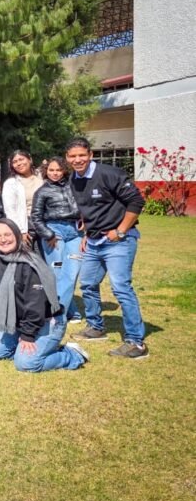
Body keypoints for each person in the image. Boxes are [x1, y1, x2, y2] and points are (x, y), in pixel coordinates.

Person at [65, 137, 148, 359]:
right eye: (72, 156)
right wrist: (86, 232)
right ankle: (96, 327)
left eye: (82, 155)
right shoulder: (74, 179)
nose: (77, 159)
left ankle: (136, 343)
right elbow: (87, 208)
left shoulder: (109, 174)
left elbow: (136, 202)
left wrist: (120, 231)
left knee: (121, 287)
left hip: (119, 241)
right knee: (88, 284)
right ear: (67, 158)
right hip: (93, 241)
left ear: (91, 155)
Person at [0, 219, 88, 372]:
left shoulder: (30, 263)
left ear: (17, 235)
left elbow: (35, 304)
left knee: (26, 364)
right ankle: (21, 349)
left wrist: (27, 336)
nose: (3, 239)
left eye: (7, 234)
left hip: (46, 321)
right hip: (17, 323)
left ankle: (71, 354)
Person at [30, 157, 83, 323]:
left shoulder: (74, 186)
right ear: (47, 171)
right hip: (55, 233)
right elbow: (36, 217)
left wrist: (85, 221)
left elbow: (86, 205)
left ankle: (62, 310)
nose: (55, 173)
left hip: (74, 233)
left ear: (64, 171)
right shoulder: (42, 191)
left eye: (58, 170)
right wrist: (48, 234)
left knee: (72, 272)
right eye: (51, 170)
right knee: (57, 271)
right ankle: (59, 312)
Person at [2, 150, 43, 246]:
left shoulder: (41, 178)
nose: (19, 164)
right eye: (15, 162)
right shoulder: (11, 183)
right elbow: (10, 210)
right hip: (27, 225)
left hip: (45, 223)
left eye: (21, 159)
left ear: (30, 160)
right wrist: (21, 230)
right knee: (32, 257)